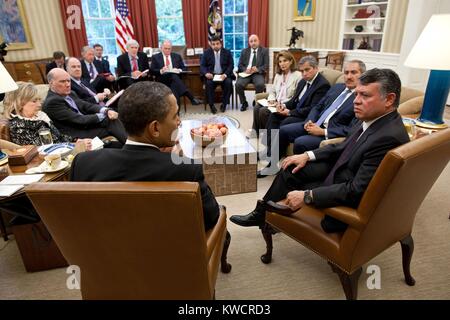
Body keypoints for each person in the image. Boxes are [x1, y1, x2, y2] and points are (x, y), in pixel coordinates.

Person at [230, 68, 409, 233]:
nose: (356, 101)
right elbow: (343, 146)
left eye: (365, 95)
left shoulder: (388, 138)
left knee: (296, 180)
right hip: (341, 169)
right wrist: (307, 155)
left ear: (389, 99)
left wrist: (308, 196)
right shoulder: (373, 118)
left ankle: (270, 218)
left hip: (343, 189)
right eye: (356, 94)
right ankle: (263, 214)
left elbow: (356, 190)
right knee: (291, 167)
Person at [70, 81, 220, 231]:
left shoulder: (82, 162)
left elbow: (77, 216)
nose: (179, 122)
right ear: (155, 128)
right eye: (175, 116)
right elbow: (211, 218)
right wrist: (173, 159)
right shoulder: (186, 169)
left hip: (105, 250)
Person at [259, 55, 330, 176]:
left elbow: (312, 109)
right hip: (297, 111)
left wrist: (289, 112)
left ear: (316, 68)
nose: (304, 73)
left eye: (307, 70)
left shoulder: (322, 85)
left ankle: (272, 162)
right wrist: (283, 106)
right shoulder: (303, 81)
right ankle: (269, 150)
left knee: (286, 122)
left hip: (306, 117)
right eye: (302, 71)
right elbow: (294, 101)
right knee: (273, 115)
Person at [278, 60, 366, 156]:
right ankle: (272, 165)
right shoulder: (337, 87)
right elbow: (318, 106)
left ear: (363, 75)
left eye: (353, 72)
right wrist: (310, 120)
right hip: (314, 124)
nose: (349, 76)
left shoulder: (361, 98)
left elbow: (352, 129)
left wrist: (323, 131)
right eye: (346, 72)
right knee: (282, 130)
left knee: (300, 142)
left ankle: (292, 169)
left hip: (327, 132)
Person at [42, 68, 127, 144]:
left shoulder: (70, 93)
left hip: (85, 125)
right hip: (76, 133)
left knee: (113, 116)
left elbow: (86, 106)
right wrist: (105, 115)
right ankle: (133, 147)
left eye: (68, 81)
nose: (68, 84)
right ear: (51, 83)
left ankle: (131, 145)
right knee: (110, 121)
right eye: (62, 81)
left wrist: (106, 110)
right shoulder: (52, 102)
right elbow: (79, 119)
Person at [3, 81, 91, 149]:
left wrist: (77, 140)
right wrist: (75, 146)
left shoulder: (39, 115)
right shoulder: (18, 127)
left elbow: (58, 136)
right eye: (34, 101)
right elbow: (42, 150)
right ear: (19, 104)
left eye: (38, 100)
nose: (39, 104)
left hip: (63, 152)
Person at [249, 50, 302, 139]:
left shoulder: (298, 76)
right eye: (280, 61)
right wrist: (271, 99)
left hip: (286, 105)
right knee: (257, 107)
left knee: (263, 111)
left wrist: (281, 104)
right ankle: (256, 132)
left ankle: (268, 136)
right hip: (275, 102)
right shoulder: (278, 75)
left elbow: (296, 97)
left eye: (285, 61)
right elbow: (273, 91)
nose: (282, 64)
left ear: (291, 61)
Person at [150, 40, 202, 106]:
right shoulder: (155, 57)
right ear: (161, 48)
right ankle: (191, 97)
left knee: (175, 88)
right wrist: (161, 70)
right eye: (165, 48)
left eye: (169, 49)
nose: (167, 50)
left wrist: (178, 70)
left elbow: (184, 68)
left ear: (171, 48)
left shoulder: (177, 56)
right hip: (162, 80)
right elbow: (152, 71)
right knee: (173, 76)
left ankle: (176, 113)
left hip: (174, 81)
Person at [200, 35, 235, 114]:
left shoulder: (227, 52)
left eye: (217, 43)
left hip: (223, 75)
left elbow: (231, 65)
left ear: (221, 43)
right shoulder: (206, 53)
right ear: (211, 44)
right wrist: (206, 73)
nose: (215, 46)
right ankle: (211, 105)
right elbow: (202, 65)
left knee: (228, 83)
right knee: (208, 84)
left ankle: (224, 104)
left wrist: (225, 75)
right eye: (213, 44)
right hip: (212, 75)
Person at [235, 34, 269, 111]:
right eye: (251, 41)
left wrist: (257, 69)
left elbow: (266, 65)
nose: (253, 43)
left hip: (257, 73)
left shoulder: (264, 51)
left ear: (258, 41)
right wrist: (245, 69)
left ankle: (256, 100)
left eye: (255, 41)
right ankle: (244, 102)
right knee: (238, 84)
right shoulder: (244, 51)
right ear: (249, 43)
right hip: (246, 73)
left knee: (260, 84)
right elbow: (239, 65)